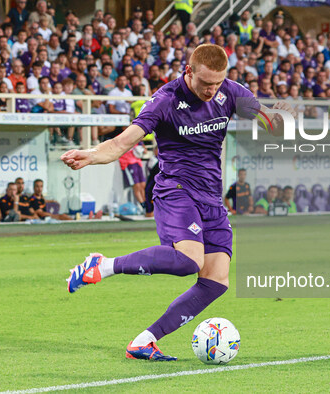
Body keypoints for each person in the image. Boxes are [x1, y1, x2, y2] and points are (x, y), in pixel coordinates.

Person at [61, 44, 292, 360]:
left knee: (216, 280)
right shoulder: (165, 101)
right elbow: (121, 143)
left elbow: (267, 117)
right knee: (188, 261)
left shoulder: (230, 91)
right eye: (205, 83)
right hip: (176, 190)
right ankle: (103, 265)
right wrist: (89, 155)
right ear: (189, 72)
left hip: (211, 196)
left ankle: (144, 341)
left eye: (218, 83)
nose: (212, 90)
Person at [118, 143, 146, 213]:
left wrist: (141, 150)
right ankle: (143, 206)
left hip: (138, 163)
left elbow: (145, 151)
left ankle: (146, 204)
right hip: (128, 164)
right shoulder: (122, 138)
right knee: (137, 186)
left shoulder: (137, 138)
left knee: (143, 185)